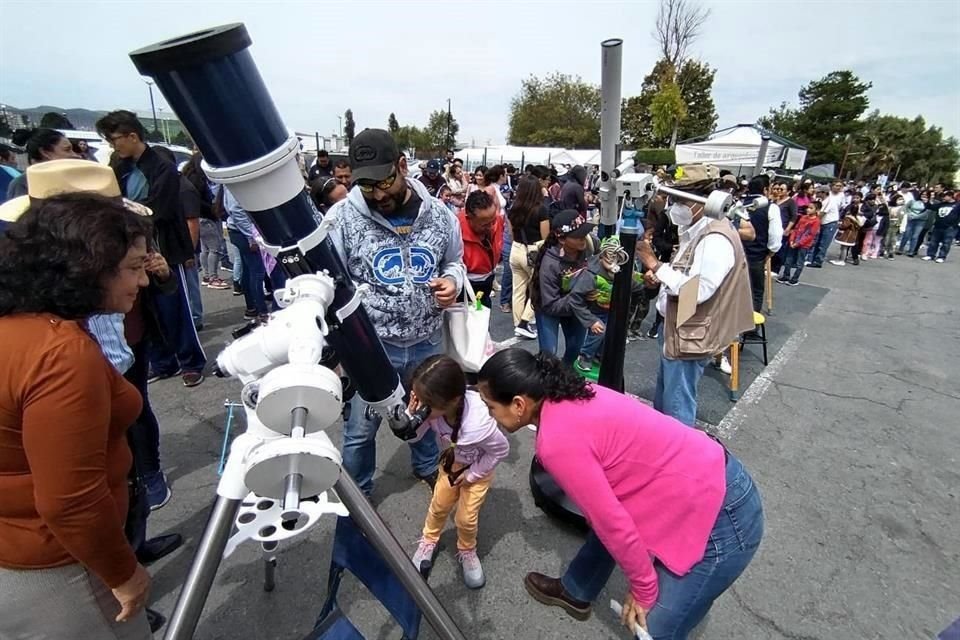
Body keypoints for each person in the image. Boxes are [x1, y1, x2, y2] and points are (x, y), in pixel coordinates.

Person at [476, 349, 764, 639]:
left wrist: (644, 589)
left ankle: (606, 597)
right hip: (706, 478)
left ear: (518, 404)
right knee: (600, 520)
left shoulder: (556, 442)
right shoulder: (571, 390)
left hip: (722, 515)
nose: (490, 415)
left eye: (490, 407)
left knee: (654, 628)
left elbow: (614, 523)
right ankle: (577, 589)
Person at [0, 193, 155, 639]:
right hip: (62, 572)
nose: (142, 281)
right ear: (88, 268)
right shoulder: (62, 355)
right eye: (132, 268)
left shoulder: (23, 326)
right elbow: (70, 501)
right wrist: (124, 573)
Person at [328, 128, 465, 495]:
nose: (376, 194)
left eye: (383, 182)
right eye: (365, 186)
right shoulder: (342, 218)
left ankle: (425, 466)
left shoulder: (440, 214)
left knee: (426, 413)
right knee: (360, 428)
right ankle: (357, 494)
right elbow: (330, 282)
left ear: (402, 166)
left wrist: (451, 281)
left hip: (427, 341)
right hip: (372, 347)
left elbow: (455, 262)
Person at [634, 166, 755, 427]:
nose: (674, 207)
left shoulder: (716, 238)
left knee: (677, 407)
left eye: (681, 201)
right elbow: (689, 274)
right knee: (666, 400)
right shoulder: (699, 228)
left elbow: (697, 291)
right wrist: (663, 277)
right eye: (673, 199)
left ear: (704, 202)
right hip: (680, 327)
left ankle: (676, 460)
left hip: (691, 334)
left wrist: (655, 264)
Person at [97, 110, 206, 387]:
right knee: (143, 309)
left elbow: (160, 208)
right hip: (131, 247)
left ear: (132, 136)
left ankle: (190, 361)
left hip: (164, 248)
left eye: (115, 140)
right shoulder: (118, 167)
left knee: (174, 307)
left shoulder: (161, 165)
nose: (114, 146)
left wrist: (127, 216)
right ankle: (162, 361)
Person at [407, 356, 509, 589]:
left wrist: (472, 474)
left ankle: (467, 549)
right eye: (418, 399)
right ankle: (428, 540)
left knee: (465, 517)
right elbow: (415, 436)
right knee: (439, 505)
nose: (422, 407)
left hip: (477, 472)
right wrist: (411, 417)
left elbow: (501, 450)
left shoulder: (479, 424)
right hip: (450, 466)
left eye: (426, 403)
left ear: (453, 400)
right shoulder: (433, 411)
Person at [532, 210, 595, 366]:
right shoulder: (550, 264)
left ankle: (564, 377)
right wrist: (581, 295)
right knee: (549, 355)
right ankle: (547, 382)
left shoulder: (588, 247)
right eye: (578, 236)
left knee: (575, 349)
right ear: (561, 239)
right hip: (549, 307)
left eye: (585, 233)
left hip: (575, 307)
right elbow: (550, 305)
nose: (584, 238)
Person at [570, 236, 639, 373]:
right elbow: (575, 298)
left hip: (614, 310)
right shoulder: (591, 275)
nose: (613, 261)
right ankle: (585, 355)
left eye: (617, 257)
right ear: (602, 256)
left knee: (612, 335)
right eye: (609, 257)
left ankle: (599, 355)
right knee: (599, 331)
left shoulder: (623, 273)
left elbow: (637, 286)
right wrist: (590, 320)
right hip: (596, 311)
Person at [506, 175, 549, 340]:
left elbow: (511, 233)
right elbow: (545, 237)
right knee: (537, 289)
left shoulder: (513, 209)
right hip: (534, 250)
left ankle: (519, 325)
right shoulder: (541, 210)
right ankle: (524, 322)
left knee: (518, 290)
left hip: (516, 249)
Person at [741, 176, 783, 313]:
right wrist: (771, 252)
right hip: (756, 255)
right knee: (755, 293)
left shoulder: (739, 204)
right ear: (765, 189)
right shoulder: (771, 207)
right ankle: (750, 331)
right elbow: (776, 235)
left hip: (736, 253)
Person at [6, 128, 79, 199]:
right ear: (45, 153)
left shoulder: (76, 178)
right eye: (67, 150)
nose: (75, 155)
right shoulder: (22, 185)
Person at [459, 190, 503, 306]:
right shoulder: (456, 230)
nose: (491, 226)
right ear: (469, 218)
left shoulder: (494, 219)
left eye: (493, 220)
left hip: (487, 279)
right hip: (467, 285)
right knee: (473, 316)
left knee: (481, 313)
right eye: (485, 224)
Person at [778, 202, 821, 286]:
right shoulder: (803, 217)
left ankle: (795, 278)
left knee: (799, 262)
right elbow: (796, 229)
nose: (808, 209)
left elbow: (810, 235)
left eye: (811, 208)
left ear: (817, 210)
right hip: (794, 241)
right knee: (788, 260)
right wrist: (791, 240)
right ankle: (786, 275)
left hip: (804, 245)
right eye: (808, 207)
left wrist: (798, 243)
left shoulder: (816, 221)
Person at [808, 180, 845, 268]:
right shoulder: (821, 200)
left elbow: (821, 214)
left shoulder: (829, 201)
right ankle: (812, 259)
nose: (816, 193)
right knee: (817, 242)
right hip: (823, 223)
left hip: (829, 224)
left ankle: (818, 261)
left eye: (818, 192)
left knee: (823, 244)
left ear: (824, 193)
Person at [923, 190, 959, 263]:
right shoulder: (941, 204)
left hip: (950, 227)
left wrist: (956, 224)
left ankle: (942, 256)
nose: (943, 198)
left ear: (950, 196)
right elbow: (931, 207)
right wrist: (927, 201)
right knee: (933, 241)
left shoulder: (957, 205)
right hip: (938, 225)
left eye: (945, 196)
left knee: (946, 243)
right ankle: (930, 254)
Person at [898, 191, 928, 256]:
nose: (924, 196)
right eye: (923, 194)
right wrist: (909, 214)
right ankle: (900, 249)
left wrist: (916, 217)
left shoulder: (927, 204)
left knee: (915, 236)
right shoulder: (913, 201)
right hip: (910, 219)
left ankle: (911, 251)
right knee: (906, 235)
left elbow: (926, 213)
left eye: (926, 195)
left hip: (920, 221)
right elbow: (906, 207)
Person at [882, 193, 905, 259]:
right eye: (899, 199)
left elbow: (904, 219)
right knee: (886, 238)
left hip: (896, 225)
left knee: (893, 240)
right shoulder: (890, 207)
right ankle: (883, 250)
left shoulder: (903, 209)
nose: (901, 200)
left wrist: (902, 227)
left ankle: (891, 253)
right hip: (889, 224)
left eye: (902, 199)